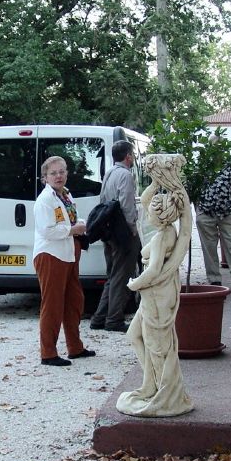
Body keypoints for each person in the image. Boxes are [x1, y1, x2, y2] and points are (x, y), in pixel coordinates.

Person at [117, 155, 194, 417]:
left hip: (157, 292)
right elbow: (149, 200)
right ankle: (151, 383)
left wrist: (133, 285)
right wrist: (156, 181)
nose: (146, 210)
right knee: (134, 336)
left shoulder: (163, 236)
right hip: (154, 293)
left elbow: (152, 270)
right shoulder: (165, 228)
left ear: (158, 217)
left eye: (150, 211)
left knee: (158, 345)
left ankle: (165, 391)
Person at [33, 156, 94, 366]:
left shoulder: (66, 195)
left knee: (74, 301)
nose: (58, 176)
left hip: (67, 255)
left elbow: (71, 220)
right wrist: (73, 230)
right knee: (52, 305)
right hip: (51, 255)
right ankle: (48, 353)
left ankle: (75, 347)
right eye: (53, 173)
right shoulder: (45, 200)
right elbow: (47, 231)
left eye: (62, 171)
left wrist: (79, 226)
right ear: (45, 178)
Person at [90, 140, 140, 332]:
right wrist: (133, 229)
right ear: (128, 156)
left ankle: (99, 318)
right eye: (132, 155)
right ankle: (114, 320)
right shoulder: (126, 175)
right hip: (122, 232)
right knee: (121, 276)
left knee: (112, 275)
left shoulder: (109, 173)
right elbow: (127, 204)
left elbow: (103, 200)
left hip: (109, 230)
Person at [195, 145, 231, 286]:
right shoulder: (202, 164)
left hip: (228, 212)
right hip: (206, 212)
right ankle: (214, 279)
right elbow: (194, 188)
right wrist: (198, 210)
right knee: (209, 247)